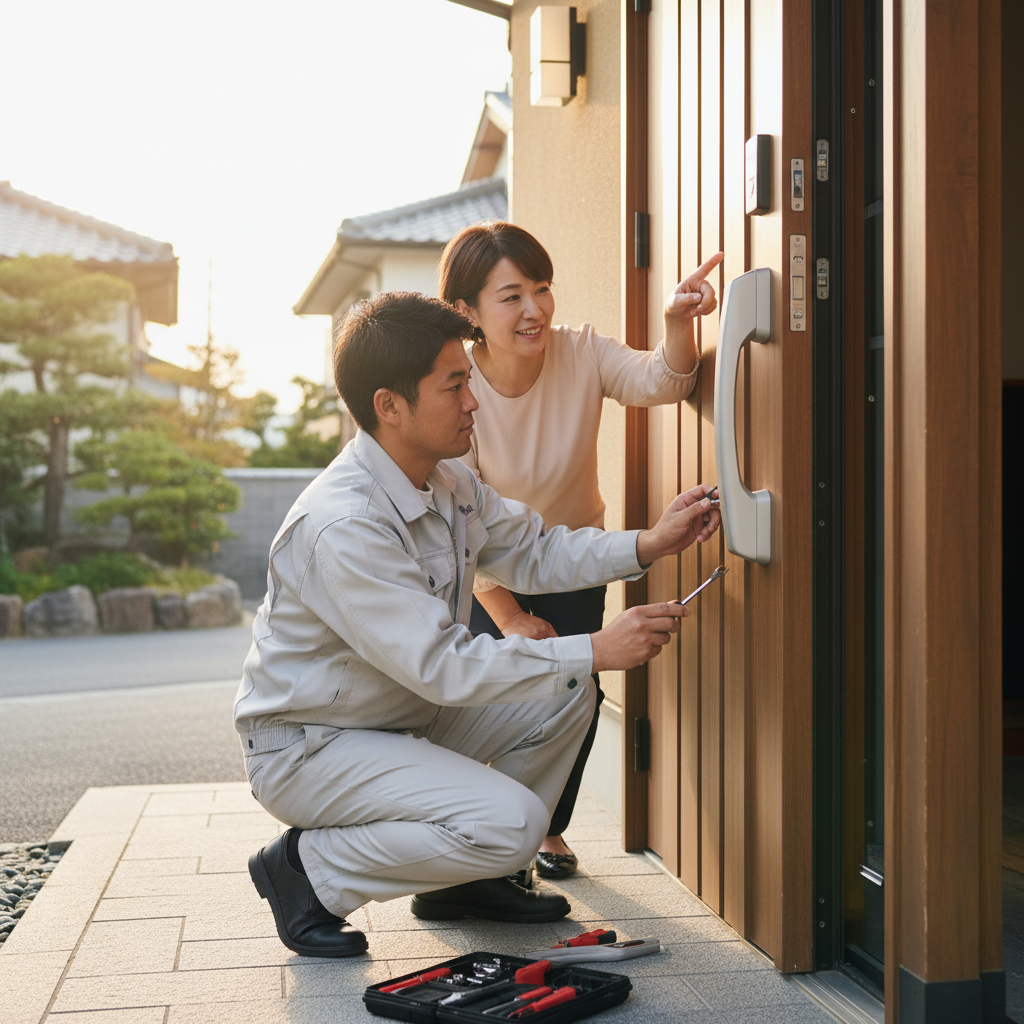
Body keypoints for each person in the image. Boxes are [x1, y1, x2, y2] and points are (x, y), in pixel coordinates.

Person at [235, 291, 722, 958]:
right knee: (516, 820)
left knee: (566, 688)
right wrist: (598, 647)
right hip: (312, 747)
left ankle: (469, 881)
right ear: (390, 406)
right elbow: (445, 665)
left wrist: (651, 543)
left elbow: (538, 549)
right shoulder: (343, 525)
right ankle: (306, 873)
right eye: (456, 384)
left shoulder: (446, 481)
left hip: (398, 719)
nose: (474, 402)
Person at [439, 221, 723, 880]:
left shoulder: (583, 352)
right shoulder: (458, 390)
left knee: (577, 692)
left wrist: (676, 320)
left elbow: (663, 381)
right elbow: (460, 521)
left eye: (542, 289)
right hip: (488, 573)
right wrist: (508, 615)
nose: (534, 309)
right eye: (511, 297)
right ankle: (489, 838)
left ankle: (547, 829)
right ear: (467, 312)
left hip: (575, 557)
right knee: (494, 700)